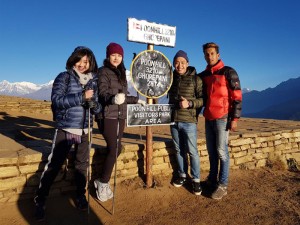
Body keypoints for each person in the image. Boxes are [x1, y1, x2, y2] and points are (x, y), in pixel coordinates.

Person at [34, 46, 101, 221]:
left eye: (85, 61)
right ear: (73, 60)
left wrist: (94, 105)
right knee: (55, 165)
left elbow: (98, 107)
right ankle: (40, 200)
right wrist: (81, 97)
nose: (81, 64)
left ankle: (80, 195)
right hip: (67, 129)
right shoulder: (64, 77)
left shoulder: (93, 81)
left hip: (86, 130)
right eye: (79, 60)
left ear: (90, 63)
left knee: (81, 165)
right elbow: (57, 101)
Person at [94, 42, 146, 202]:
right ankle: (102, 183)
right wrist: (112, 98)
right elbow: (102, 93)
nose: (116, 58)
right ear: (108, 56)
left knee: (117, 148)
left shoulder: (122, 73)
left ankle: (101, 180)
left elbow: (122, 98)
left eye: (119, 55)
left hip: (120, 116)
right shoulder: (102, 72)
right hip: (107, 115)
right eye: (113, 55)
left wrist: (136, 100)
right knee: (114, 147)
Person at [199, 42, 242, 200]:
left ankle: (223, 185)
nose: (209, 56)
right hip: (208, 117)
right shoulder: (204, 75)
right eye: (206, 54)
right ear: (204, 56)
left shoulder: (228, 72)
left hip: (223, 118)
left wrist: (235, 118)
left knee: (222, 151)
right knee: (211, 151)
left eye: (212, 53)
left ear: (218, 55)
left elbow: (236, 96)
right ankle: (212, 180)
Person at [168, 50, 204, 195]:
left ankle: (196, 180)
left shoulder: (196, 79)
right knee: (179, 150)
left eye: (182, 62)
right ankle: (182, 175)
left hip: (189, 121)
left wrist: (189, 103)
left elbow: (203, 100)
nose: (180, 65)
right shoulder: (171, 79)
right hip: (174, 121)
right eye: (177, 62)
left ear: (187, 63)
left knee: (192, 151)